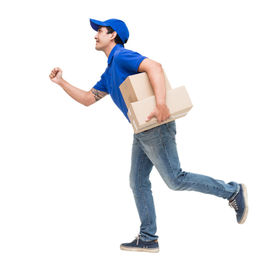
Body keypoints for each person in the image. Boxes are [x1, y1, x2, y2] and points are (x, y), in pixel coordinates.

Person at [48, 18, 248, 253]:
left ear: (113, 35)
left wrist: (161, 103)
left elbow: (155, 66)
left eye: (100, 31)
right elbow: (88, 99)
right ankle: (148, 237)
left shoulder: (122, 56)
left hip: (155, 125)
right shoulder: (109, 71)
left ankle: (232, 191)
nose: (95, 35)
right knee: (137, 181)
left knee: (175, 179)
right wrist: (61, 82)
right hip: (141, 129)